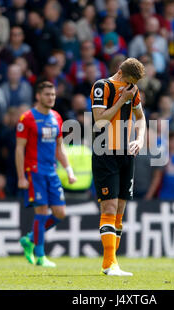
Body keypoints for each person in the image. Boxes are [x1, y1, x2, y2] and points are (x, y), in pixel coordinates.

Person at [90, 57, 146, 276]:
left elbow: (141, 118)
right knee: (109, 208)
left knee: (120, 212)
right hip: (105, 153)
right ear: (120, 73)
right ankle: (108, 264)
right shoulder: (101, 86)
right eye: (129, 81)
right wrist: (122, 100)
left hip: (126, 154)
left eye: (134, 83)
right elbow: (100, 121)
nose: (130, 86)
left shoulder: (133, 89)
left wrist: (140, 139)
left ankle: (112, 263)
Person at [15, 81, 77, 267]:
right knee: (41, 212)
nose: (51, 98)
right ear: (38, 96)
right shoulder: (27, 118)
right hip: (35, 171)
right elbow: (19, 149)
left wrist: (69, 170)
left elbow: (60, 147)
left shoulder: (56, 117)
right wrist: (21, 176)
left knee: (60, 213)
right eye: (47, 94)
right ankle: (40, 256)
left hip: (52, 172)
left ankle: (29, 239)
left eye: (53, 95)